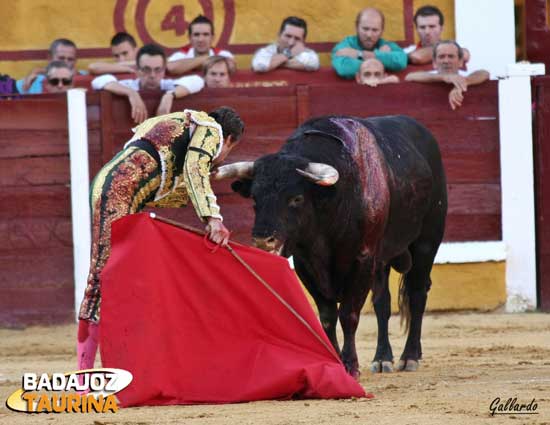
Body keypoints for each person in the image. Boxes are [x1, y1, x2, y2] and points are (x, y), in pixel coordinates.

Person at [77, 106, 245, 371]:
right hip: (119, 192)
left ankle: (129, 362)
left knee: (124, 278)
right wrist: (212, 217)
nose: (221, 158)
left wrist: (198, 184)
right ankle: (85, 375)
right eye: (226, 152)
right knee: (102, 279)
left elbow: (162, 184)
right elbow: (193, 167)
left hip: (114, 188)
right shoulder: (211, 128)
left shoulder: (172, 123)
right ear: (230, 140)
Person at [91, 44, 204, 123]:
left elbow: (197, 81)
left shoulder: (169, 86)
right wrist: (131, 93)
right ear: (137, 70)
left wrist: (169, 95)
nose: (152, 75)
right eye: (146, 69)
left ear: (164, 70)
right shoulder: (130, 86)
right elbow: (99, 81)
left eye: (158, 69)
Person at [405, 40, 489, 110]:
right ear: (434, 63)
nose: (446, 61)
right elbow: (409, 76)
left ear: (460, 62)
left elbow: (484, 73)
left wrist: (463, 83)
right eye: (441, 57)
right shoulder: (430, 76)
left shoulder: (465, 76)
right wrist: (444, 77)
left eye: (451, 56)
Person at [332, 8, 407, 79]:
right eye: (365, 29)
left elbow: (401, 61)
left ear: (382, 31)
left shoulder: (386, 45)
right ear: (356, 27)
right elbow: (344, 69)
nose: (369, 35)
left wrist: (360, 54)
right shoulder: (345, 45)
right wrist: (383, 59)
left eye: (375, 30)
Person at [167, 15, 235, 75]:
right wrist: (207, 59)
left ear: (212, 38)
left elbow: (231, 67)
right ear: (190, 38)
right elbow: (170, 68)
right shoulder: (181, 55)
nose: (201, 40)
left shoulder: (223, 53)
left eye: (205, 34)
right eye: (196, 35)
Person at [405, 5, 470, 65]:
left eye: (432, 26)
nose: (427, 32)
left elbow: (466, 54)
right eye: (422, 27)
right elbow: (417, 57)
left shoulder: (456, 48)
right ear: (416, 29)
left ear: (441, 28)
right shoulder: (408, 51)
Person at [251, 16, 320, 73]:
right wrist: (289, 54)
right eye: (288, 36)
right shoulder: (267, 51)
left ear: (303, 41)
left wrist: (274, 63)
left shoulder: (307, 53)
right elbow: (259, 66)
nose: (291, 42)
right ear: (279, 35)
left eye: (297, 38)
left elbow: (313, 63)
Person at [17, 38, 81, 94]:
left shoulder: (83, 75)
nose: (65, 63)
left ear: (75, 61)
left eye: (70, 59)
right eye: (61, 58)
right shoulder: (32, 80)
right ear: (49, 58)